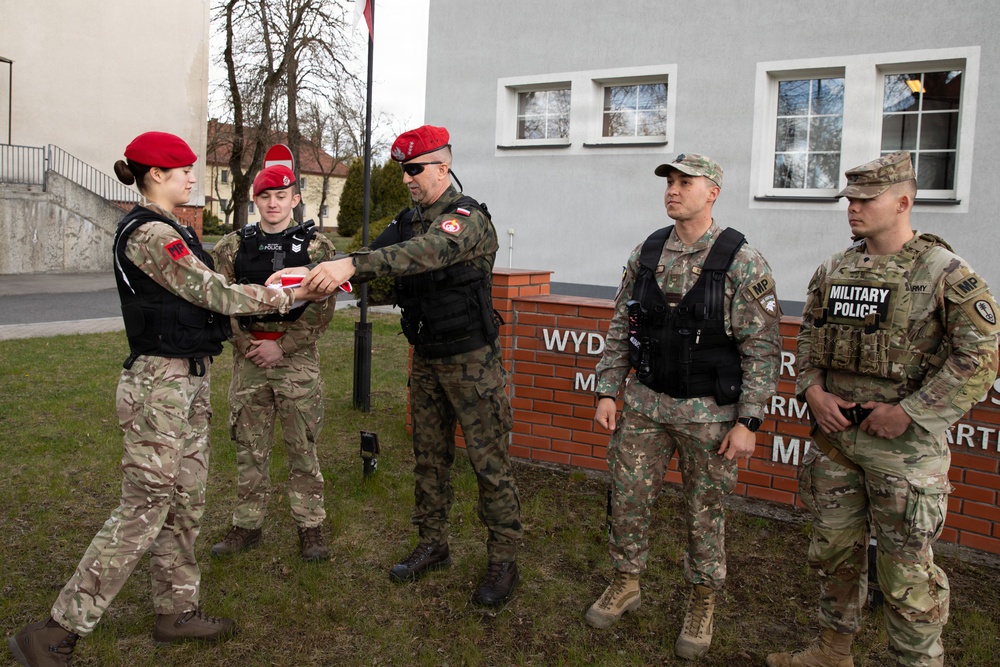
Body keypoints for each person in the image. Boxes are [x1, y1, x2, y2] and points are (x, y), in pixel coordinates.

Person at [7, 132, 322, 667]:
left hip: (187, 381)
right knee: (144, 506)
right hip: (161, 387)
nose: (192, 179)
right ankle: (56, 630)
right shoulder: (152, 234)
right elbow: (214, 292)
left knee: (185, 501)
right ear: (156, 175)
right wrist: (292, 292)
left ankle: (175, 611)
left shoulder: (171, 225)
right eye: (183, 172)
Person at [767, 152, 1000, 667]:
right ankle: (833, 651)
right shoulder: (835, 268)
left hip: (904, 454)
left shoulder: (944, 272)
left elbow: (981, 356)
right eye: (849, 199)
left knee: (906, 573)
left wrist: (911, 413)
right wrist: (813, 392)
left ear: (902, 201)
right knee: (835, 555)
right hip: (836, 444)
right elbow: (807, 339)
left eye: (865, 199)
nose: (852, 208)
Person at [281, 125, 522, 606]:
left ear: (443, 166)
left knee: (488, 462)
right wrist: (321, 276)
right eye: (403, 170)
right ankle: (432, 544)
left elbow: (426, 254)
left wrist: (353, 265)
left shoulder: (465, 218)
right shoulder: (406, 221)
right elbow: (378, 268)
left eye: (415, 169)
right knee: (429, 459)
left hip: (472, 362)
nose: (408, 179)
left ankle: (504, 558)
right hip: (427, 360)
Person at [588, 154, 781, 660]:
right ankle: (626, 579)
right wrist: (608, 390)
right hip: (646, 406)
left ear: (712, 191)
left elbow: (761, 348)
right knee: (628, 498)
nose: (672, 190)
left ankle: (702, 599)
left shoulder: (741, 260)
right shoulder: (648, 252)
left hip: (710, 417)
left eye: (684, 182)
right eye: (669, 182)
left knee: (705, 511)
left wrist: (749, 421)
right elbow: (621, 327)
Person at [210, 165, 336, 562]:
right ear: (255, 200)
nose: (273, 203)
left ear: (295, 199)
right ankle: (246, 524)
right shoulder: (231, 247)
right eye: (265, 196)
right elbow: (220, 300)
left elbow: (324, 309)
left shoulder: (317, 249)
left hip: (296, 361)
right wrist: (248, 343)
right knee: (249, 447)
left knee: (302, 446)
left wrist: (282, 346)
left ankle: (310, 525)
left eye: (282, 196)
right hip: (249, 361)